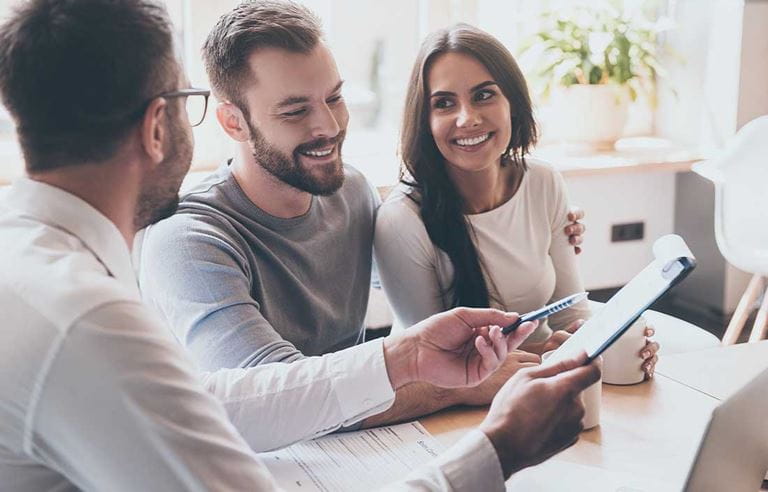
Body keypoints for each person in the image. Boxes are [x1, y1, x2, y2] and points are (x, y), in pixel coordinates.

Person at [0, 0, 601, 490]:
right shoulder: (90, 318)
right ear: (162, 125)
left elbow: (230, 399)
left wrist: (409, 354)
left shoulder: (31, 265)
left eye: (335, 98)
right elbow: (251, 399)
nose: (329, 127)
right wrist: (496, 449)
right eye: (192, 105)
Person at [138, 0, 586, 426]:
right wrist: (457, 387)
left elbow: (416, 261)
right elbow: (273, 400)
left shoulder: (349, 191)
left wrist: (539, 227)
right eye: (295, 111)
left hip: (362, 447)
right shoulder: (188, 241)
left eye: (333, 98)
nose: (329, 128)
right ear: (234, 122)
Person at [374, 24, 659, 376]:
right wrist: (549, 353)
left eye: (483, 95)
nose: (467, 118)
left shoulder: (542, 182)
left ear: (512, 102)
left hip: (540, 380)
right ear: (424, 120)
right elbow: (438, 365)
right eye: (444, 103)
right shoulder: (401, 220)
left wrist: (609, 342)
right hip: (446, 402)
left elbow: (570, 312)